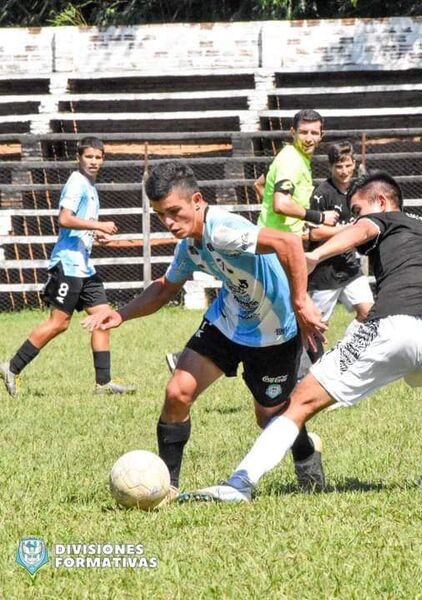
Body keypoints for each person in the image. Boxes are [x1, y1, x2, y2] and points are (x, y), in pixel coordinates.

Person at [188, 171, 422, 503]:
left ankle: (239, 484)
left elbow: (363, 228)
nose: (357, 218)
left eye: (359, 208)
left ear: (382, 201)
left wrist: (315, 255)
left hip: (393, 326)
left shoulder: (385, 218)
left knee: (298, 404)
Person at [82, 161, 328, 505]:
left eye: (174, 212)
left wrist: (301, 302)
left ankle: (306, 456)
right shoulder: (191, 245)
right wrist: (120, 315)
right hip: (227, 323)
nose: (168, 223)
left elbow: (288, 242)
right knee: (177, 392)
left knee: (270, 417)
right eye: (160, 215)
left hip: (273, 333)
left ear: (196, 200)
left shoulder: (222, 229)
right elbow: (165, 289)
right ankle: (167, 488)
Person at [165, 109, 339, 374]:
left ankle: (310, 375)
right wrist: (318, 216)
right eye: (303, 132)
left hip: (278, 243)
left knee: (276, 308)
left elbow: (261, 185)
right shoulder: (292, 161)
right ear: (292, 133)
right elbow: (281, 203)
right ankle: (313, 378)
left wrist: (281, 218)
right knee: (295, 310)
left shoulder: (292, 158)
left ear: (322, 135)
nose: (309, 137)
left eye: (314, 132)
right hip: (276, 249)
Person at [0, 137, 135, 398]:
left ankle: (103, 384)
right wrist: (98, 226)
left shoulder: (90, 186)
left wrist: (96, 237)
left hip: (84, 267)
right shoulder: (76, 182)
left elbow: (78, 224)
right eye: (89, 157)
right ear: (79, 157)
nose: (94, 161)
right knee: (59, 323)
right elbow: (64, 218)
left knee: (103, 319)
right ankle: (12, 367)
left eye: (99, 157)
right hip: (69, 265)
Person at [301, 141, 374, 372]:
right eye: (339, 166)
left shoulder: (356, 192)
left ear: (355, 164)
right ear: (331, 167)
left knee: (369, 314)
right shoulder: (322, 194)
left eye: (348, 165)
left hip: (350, 267)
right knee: (315, 327)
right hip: (324, 271)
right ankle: (310, 373)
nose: (344, 171)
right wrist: (346, 230)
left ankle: (342, 355)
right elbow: (312, 232)